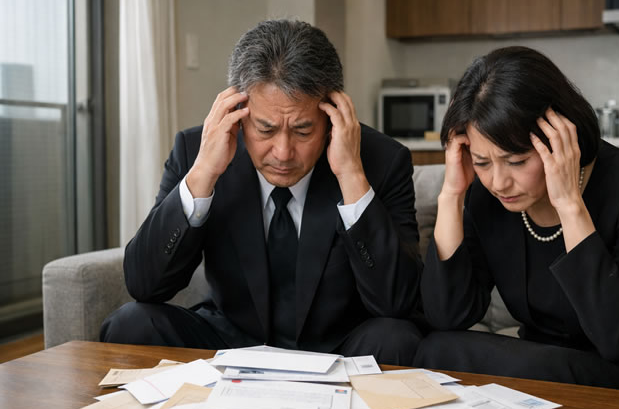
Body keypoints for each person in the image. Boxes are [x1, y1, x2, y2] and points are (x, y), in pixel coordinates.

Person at [414, 46, 619, 409]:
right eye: (482, 162)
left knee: (537, 370)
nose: (498, 182)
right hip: (554, 363)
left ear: (558, 137)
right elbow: (448, 316)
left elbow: (618, 337)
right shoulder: (487, 197)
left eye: (517, 161)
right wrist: (452, 195)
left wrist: (568, 203)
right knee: (438, 348)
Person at [100, 19, 422, 364]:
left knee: (397, 339)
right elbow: (145, 285)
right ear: (238, 115)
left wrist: (351, 175)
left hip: (338, 348)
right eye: (265, 130)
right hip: (230, 341)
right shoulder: (197, 151)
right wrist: (204, 173)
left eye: (302, 131)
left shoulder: (382, 161)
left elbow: (397, 303)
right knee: (132, 324)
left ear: (331, 120)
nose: (282, 153)